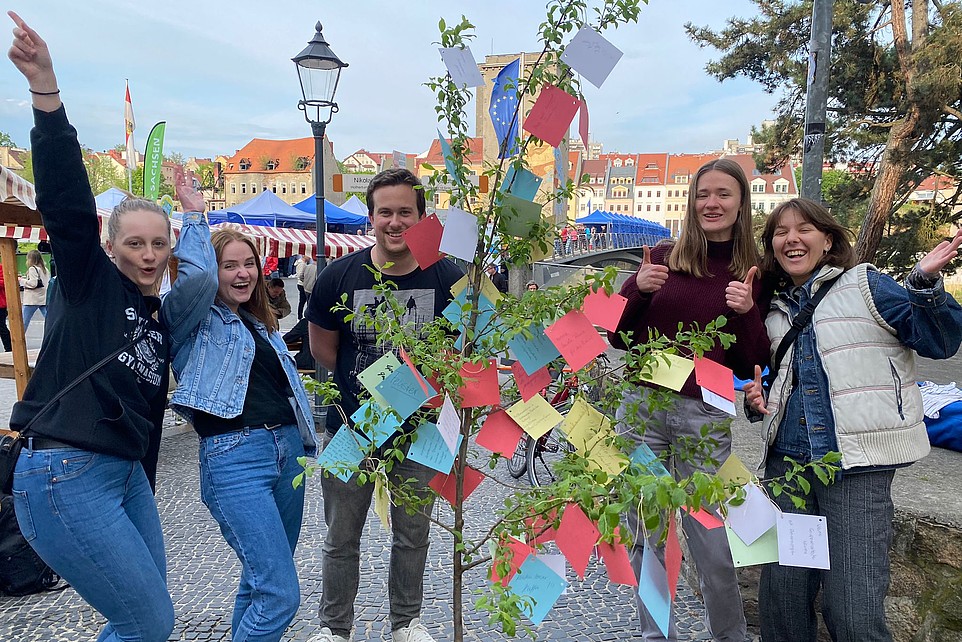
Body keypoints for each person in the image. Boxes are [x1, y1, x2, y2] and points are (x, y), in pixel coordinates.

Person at [7, 13, 174, 640]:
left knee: (144, 621)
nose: (148, 255)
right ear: (110, 246)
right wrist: (45, 90)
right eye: (134, 243)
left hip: (125, 475)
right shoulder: (88, 283)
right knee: (148, 622)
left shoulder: (156, 316)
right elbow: (68, 202)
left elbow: (147, 416)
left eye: (158, 243)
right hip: (65, 470)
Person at [743, 198, 962, 642]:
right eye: (780, 232)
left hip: (856, 467)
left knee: (853, 610)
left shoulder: (865, 284)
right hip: (788, 466)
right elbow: (780, 379)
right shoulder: (774, 308)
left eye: (804, 229)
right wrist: (757, 397)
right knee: (783, 602)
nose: (791, 239)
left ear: (827, 239)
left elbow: (938, 341)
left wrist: (924, 284)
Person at [608, 158, 769, 642]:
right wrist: (637, 290)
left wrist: (746, 313)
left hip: (704, 414)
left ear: (741, 204)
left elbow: (751, 361)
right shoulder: (662, 256)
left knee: (710, 539)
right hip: (642, 408)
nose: (711, 203)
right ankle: (655, 635)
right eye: (703, 194)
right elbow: (617, 336)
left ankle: (730, 636)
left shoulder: (751, 272)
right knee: (645, 531)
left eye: (723, 194)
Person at [306, 168, 463, 642]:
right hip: (351, 426)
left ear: (421, 217)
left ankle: (406, 624)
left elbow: (460, 352)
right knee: (340, 536)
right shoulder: (338, 276)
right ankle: (334, 629)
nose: (395, 222)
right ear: (371, 217)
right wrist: (370, 393)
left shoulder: (447, 276)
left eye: (405, 212)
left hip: (422, 431)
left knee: (413, 535)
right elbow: (323, 351)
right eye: (385, 212)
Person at [164, 204, 319, 642]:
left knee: (259, 582)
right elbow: (196, 278)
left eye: (249, 263)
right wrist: (195, 216)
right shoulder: (193, 320)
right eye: (229, 265)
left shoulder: (260, 324)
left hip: (288, 452)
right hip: (235, 457)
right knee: (280, 594)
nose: (242, 273)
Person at [19, 249, 48, 331]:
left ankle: (19, 337)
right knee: (49, 319)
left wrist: (21, 280)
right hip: (43, 298)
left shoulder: (32, 269)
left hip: (32, 299)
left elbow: (33, 283)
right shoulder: (45, 269)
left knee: (24, 322)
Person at [295, 254, 313, 319]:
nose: (309, 258)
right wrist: (305, 280)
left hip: (301, 283)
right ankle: (300, 316)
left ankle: (300, 316)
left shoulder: (302, 263)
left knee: (302, 301)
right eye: (308, 256)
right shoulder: (302, 264)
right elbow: (300, 275)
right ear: (303, 256)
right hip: (302, 284)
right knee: (304, 301)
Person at [0, 264, 11, 352]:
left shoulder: (1, 268)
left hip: (0, 304)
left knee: (2, 327)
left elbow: (5, 282)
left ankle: (9, 348)